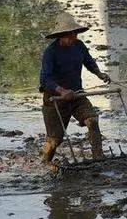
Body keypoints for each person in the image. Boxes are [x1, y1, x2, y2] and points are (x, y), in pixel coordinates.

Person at [39, 12, 111, 170]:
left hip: (77, 95)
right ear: (61, 36)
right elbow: (45, 80)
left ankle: (98, 156)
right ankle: (45, 161)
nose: (73, 38)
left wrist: (99, 74)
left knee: (92, 120)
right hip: (55, 100)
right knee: (55, 140)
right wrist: (62, 91)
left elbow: (89, 61)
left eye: (75, 34)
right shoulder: (50, 53)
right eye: (70, 35)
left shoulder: (78, 46)